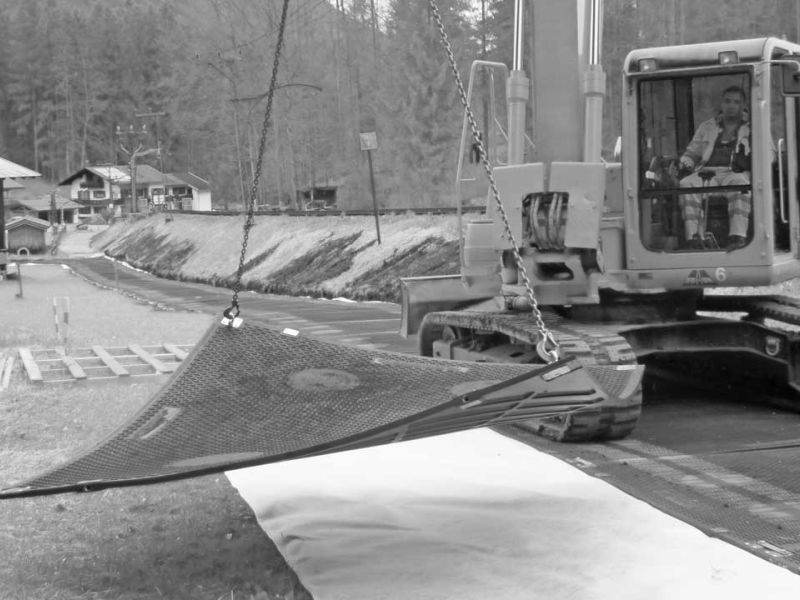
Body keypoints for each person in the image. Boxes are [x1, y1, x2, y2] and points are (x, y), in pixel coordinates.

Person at [679, 85, 751, 251]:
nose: (731, 105)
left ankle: (738, 237)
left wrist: (752, 159)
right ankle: (694, 238)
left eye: (736, 102)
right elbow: (691, 153)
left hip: (734, 173)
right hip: (707, 173)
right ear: (721, 104)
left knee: (741, 184)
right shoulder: (707, 127)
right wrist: (683, 163)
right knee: (686, 184)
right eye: (727, 101)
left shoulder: (753, 128)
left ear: (744, 105)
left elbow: (771, 154)